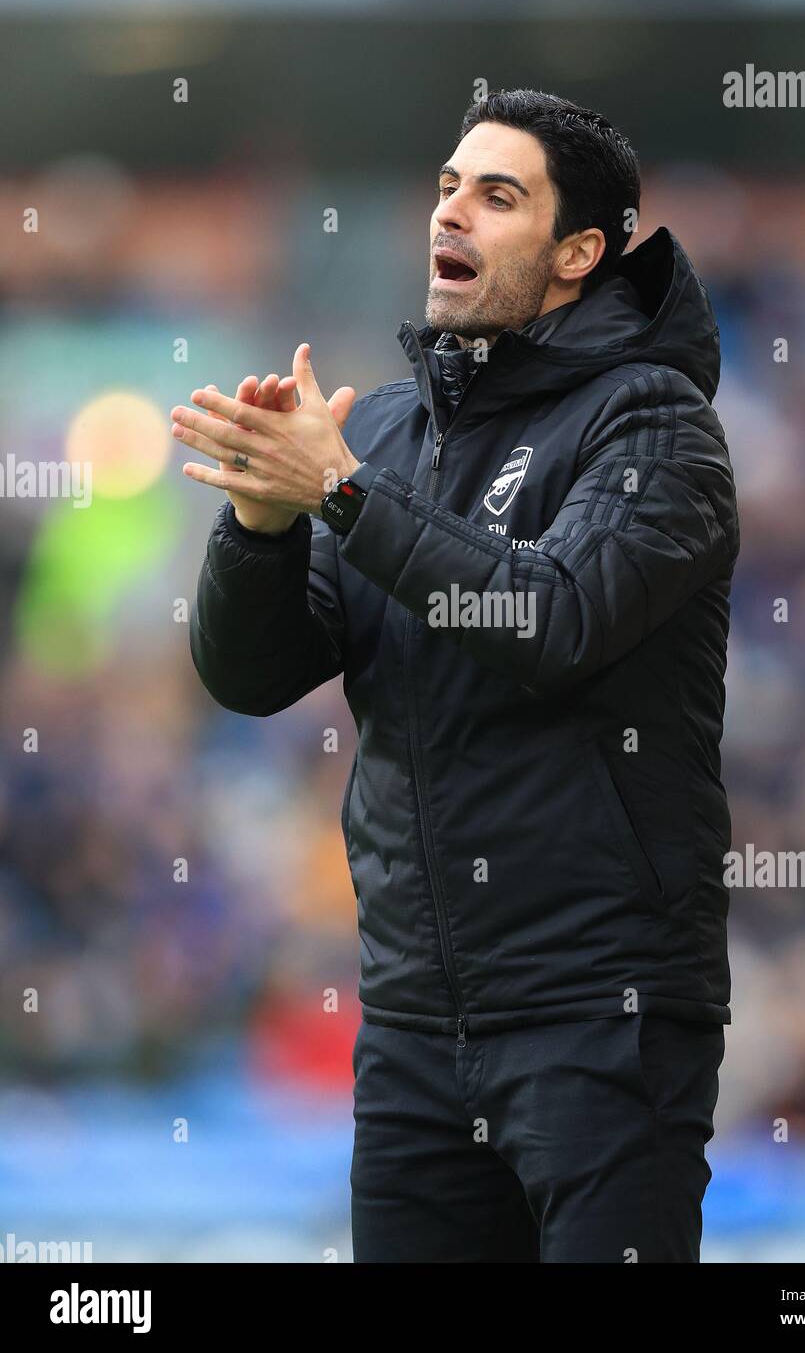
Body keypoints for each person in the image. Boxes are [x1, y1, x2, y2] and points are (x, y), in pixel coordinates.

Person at [175, 88, 740, 1263]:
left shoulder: (652, 425)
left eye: (498, 194)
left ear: (579, 251)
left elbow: (553, 617)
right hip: (414, 1027)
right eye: (446, 185)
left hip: (600, 1015)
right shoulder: (382, 434)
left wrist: (339, 494)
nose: (453, 211)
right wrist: (261, 526)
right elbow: (254, 676)